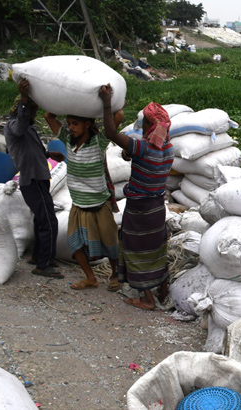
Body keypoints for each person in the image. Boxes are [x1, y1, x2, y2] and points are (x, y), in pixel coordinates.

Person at [99, 84, 174, 310]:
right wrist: (131, 153)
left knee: (136, 249)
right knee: (155, 249)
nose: (141, 126)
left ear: (150, 125)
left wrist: (106, 103)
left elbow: (110, 133)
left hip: (139, 210)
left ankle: (147, 299)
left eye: (145, 123)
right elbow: (143, 156)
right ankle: (162, 289)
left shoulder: (142, 147)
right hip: (157, 208)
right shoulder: (168, 148)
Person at [44, 105, 121, 291]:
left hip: (99, 205)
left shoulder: (98, 142)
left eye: (75, 124)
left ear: (87, 124)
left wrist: (107, 101)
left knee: (110, 244)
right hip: (78, 205)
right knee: (75, 246)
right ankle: (91, 278)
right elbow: (48, 115)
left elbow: (118, 115)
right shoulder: (68, 141)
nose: (70, 127)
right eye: (69, 123)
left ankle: (116, 276)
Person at [4, 79, 65, 278]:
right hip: (32, 180)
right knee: (49, 221)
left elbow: (30, 150)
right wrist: (24, 98)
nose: (35, 114)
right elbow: (20, 127)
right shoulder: (14, 125)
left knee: (41, 220)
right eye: (32, 110)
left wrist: (48, 154)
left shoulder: (29, 128)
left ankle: (39, 256)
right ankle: (43, 265)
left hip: (39, 178)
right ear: (22, 110)